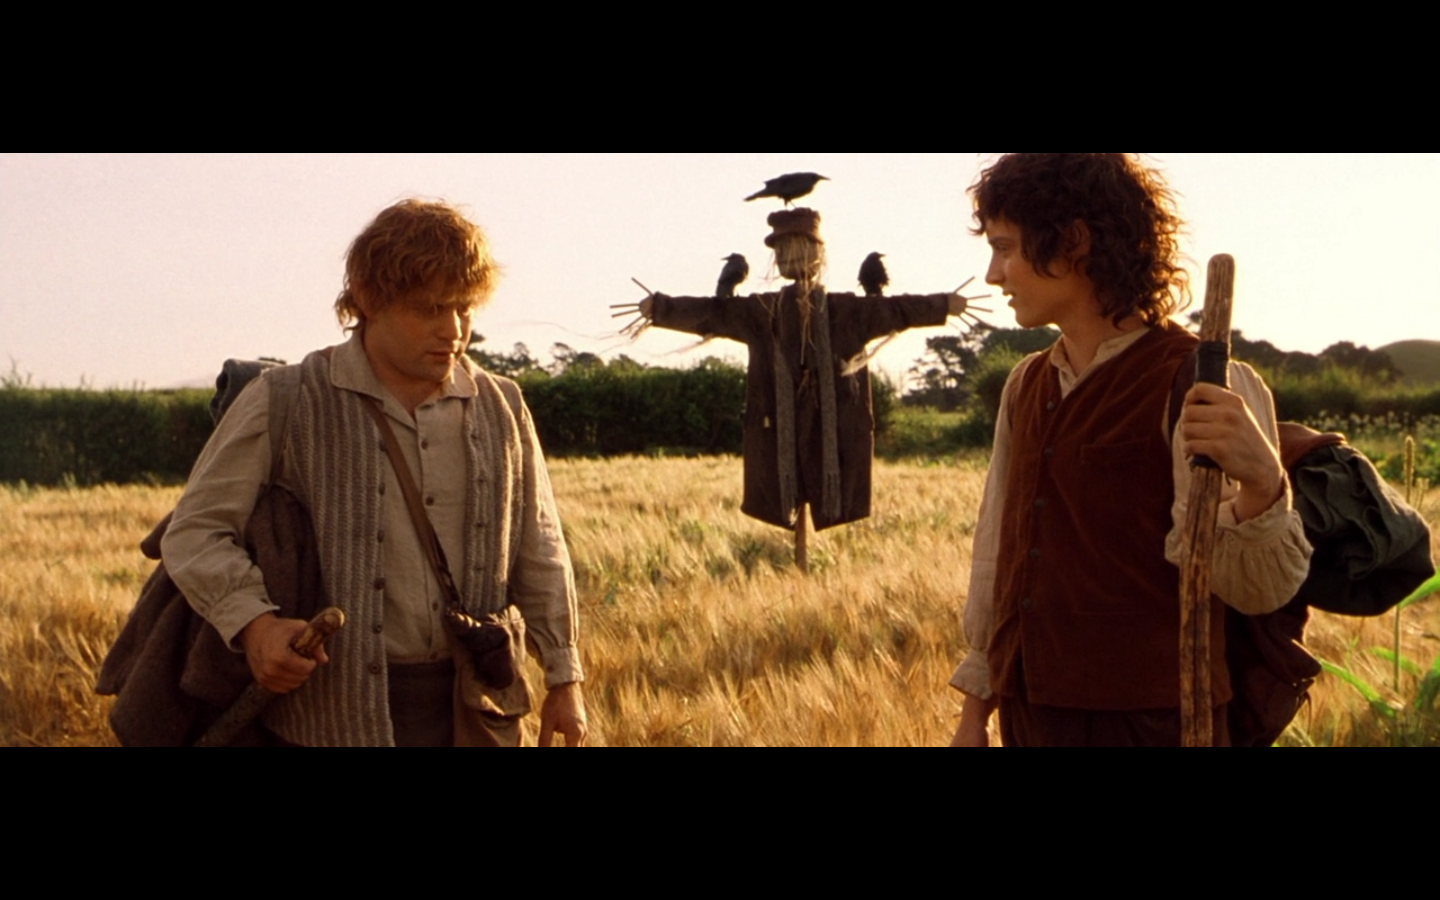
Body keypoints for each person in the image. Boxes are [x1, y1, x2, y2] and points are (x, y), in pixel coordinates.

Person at [163, 199, 586, 747]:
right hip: (331, 720)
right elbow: (195, 531)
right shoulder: (287, 398)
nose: (453, 330)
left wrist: (564, 679)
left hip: (479, 714)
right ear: (368, 299)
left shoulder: (501, 405)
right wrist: (256, 626)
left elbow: (540, 549)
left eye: (464, 308)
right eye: (430, 309)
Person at [948, 154, 1312, 747]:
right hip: (1031, 716)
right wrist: (974, 714)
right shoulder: (1025, 386)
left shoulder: (1198, 383)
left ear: (1074, 242)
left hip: (1156, 723)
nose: (994, 274)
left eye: (1005, 248)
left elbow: (1258, 590)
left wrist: (1263, 485)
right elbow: (998, 558)